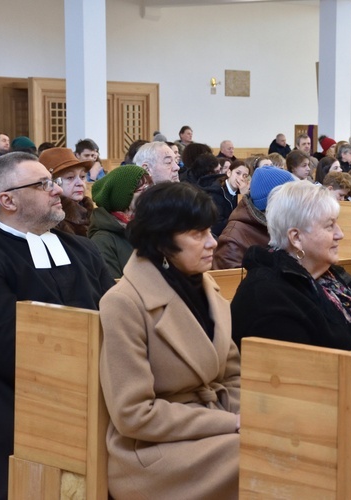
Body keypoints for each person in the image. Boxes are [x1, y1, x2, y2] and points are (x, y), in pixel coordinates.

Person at [0, 152, 114, 499]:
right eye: (42, 185)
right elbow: (11, 349)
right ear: (7, 200)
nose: (56, 191)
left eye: (52, 182)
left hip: (101, 388)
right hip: (15, 402)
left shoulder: (84, 249)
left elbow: (120, 318)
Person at [99, 182, 240, 498]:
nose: (212, 243)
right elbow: (134, 415)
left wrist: (251, 419)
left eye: (209, 231)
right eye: (197, 234)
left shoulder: (207, 290)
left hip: (212, 431)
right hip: (152, 453)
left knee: (296, 443)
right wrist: (228, 423)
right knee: (266, 459)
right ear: (162, 241)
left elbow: (233, 377)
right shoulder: (123, 302)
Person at [231, 181, 351, 351]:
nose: (340, 234)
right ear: (296, 237)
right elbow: (303, 371)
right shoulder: (267, 296)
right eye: (329, 226)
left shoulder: (333, 277)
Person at [213, 166, 295, 269]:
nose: (296, 205)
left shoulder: (286, 224)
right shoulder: (233, 241)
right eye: (291, 198)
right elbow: (230, 282)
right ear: (272, 203)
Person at [88, 165, 153, 279]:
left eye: (150, 188)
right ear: (123, 197)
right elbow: (111, 286)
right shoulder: (102, 240)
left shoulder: (148, 228)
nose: (150, 195)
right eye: (143, 190)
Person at [39, 147, 94, 236]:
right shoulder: (51, 221)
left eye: (82, 177)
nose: (80, 183)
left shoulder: (90, 211)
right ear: (50, 183)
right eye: (70, 177)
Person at [206, 160, 252, 237]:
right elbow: (217, 226)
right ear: (229, 173)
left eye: (245, 176)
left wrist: (245, 196)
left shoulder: (243, 192)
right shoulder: (215, 193)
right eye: (238, 173)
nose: (241, 178)